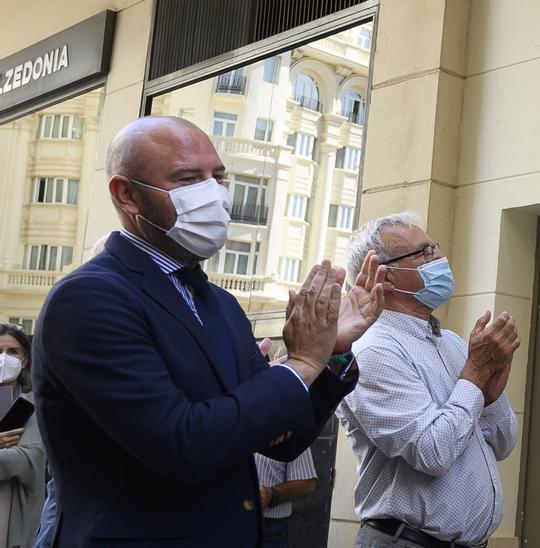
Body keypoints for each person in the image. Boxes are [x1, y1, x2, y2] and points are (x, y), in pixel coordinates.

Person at [32, 116, 388, 546]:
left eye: (218, 176)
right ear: (127, 195)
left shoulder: (219, 302)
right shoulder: (89, 298)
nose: (214, 193)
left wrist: (328, 355)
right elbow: (181, 445)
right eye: (188, 178)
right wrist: (301, 363)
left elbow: (277, 440)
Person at [338, 213, 520, 548]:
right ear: (385, 276)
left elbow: (504, 443)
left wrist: (487, 397)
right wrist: (475, 376)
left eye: (434, 247)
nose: (439, 257)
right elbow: (432, 453)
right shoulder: (374, 351)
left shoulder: (450, 342)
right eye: (423, 253)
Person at [0, 324, 44, 548]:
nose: (4, 359)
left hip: (11, 516)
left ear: (24, 359)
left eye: (12, 352)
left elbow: (26, 460)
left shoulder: (34, 405)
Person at [255, 449, 318, 548]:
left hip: (268, 528)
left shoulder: (293, 434)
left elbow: (306, 482)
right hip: (227, 522)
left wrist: (272, 495)